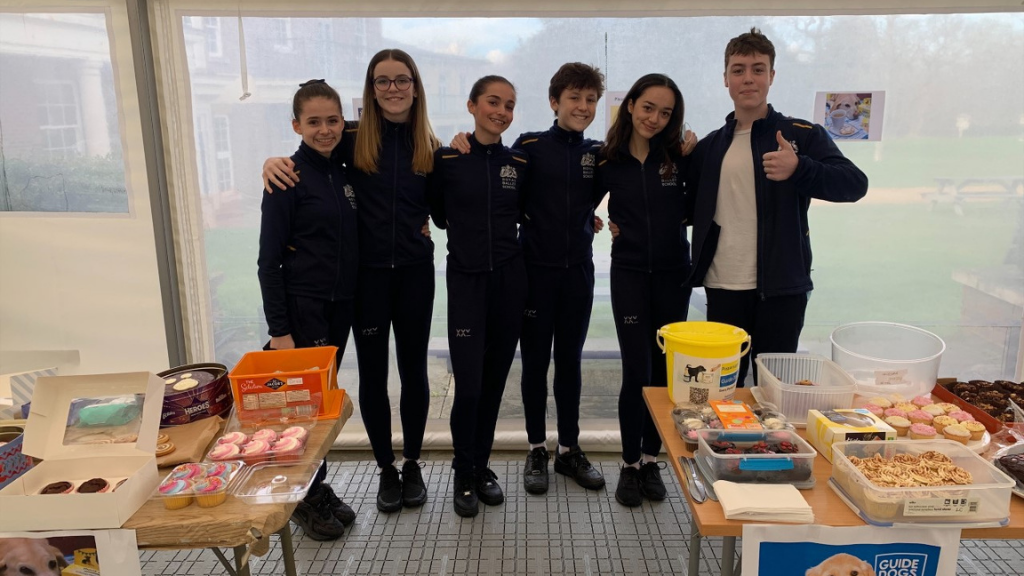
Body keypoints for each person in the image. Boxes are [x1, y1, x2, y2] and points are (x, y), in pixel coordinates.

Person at [263, 49, 439, 514]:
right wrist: (272, 162)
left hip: (417, 276)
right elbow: (308, 157)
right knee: (374, 375)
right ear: (371, 89)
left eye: (402, 80)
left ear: (415, 87)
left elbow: (444, 211)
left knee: (415, 371)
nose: (393, 88)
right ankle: (385, 468)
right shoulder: (350, 138)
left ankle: (414, 462)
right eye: (383, 81)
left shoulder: (430, 145)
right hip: (368, 280)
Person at [451, 63, 608, 496]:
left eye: (591, 99)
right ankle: (537, 448)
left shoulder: (599, 153)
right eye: (574, 98)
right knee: (535, 363)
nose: (583, 106)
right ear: (555, 101)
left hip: (578, 272)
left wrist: (591, 221)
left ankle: (569, 449)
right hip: (532, 273)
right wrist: (460, 140)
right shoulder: (528, 147)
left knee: (571, 363)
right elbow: (499, 192)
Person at [686, 28, 868, 386]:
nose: (748, 78)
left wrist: (800, 169)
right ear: (725, 78)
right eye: (738, 70)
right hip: (723, 287)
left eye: (758, 68)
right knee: (723, 392)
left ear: (771, 76)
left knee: (775, 391)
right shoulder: (708, 147)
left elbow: (854, 184)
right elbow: (685, 208)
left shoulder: (801, 134)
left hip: (782, 288)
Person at [257, 79, 358, 540]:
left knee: (317, 409)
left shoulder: (341, 167)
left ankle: (314, 486)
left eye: (332, 120)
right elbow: (268, 260)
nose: (324, 129)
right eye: (313, 122)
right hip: (302, 311)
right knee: (299, 412)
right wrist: (280, 332)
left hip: (339, 309)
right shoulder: (287, 178)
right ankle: (299, 497)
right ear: (296, 125)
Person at [429, 75, 528, 518]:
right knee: (468, 386)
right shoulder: (447, 158)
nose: (501, 111)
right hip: (467, 282)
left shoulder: (520, 162)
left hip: (510, 282)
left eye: (508, 105)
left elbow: (540, 212)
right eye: (493, 102)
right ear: (471, 105)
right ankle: (462, 469)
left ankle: (482, 465)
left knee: (492, 386)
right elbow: (437, 215)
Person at [594, 73, 692, 508]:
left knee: (665, 372)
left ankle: (653, 460)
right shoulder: (606, 159)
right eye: (649, 107)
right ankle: (630, 464)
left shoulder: (679, 156)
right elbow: (568, 201)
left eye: (665, 112)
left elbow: (704, 205)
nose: (655, 118)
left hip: (674, 275)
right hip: (629, 273)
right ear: (631, 105)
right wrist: (594, 223)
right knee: (636, 371)